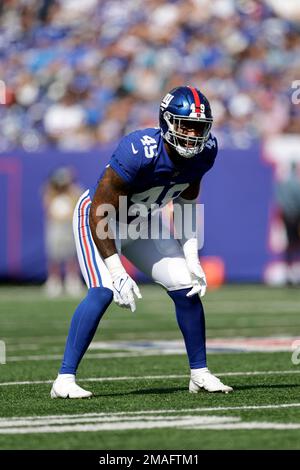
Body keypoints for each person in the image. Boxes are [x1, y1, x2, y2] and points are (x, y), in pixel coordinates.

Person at [50, 86, 233, 398]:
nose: (192, 135)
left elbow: (187, 203)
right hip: (99, 218)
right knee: (104, 289)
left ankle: (199, 373)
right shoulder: (139, 150)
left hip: (143, 220)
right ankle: (64, 379)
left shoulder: (206, 152)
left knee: (185, 284)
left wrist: (192, 258)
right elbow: (100, 212)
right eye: (185, 125)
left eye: (199, 128)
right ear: (166, 122)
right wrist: (117, 270)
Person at [43, 167, 84, 297]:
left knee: (71, 255)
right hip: (56, 227)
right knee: (54, 255)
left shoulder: (73, 192)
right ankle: (54, 281)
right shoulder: (51, 192)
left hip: (69, 226)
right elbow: (48, 208)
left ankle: (72, 280)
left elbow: (76, 204)